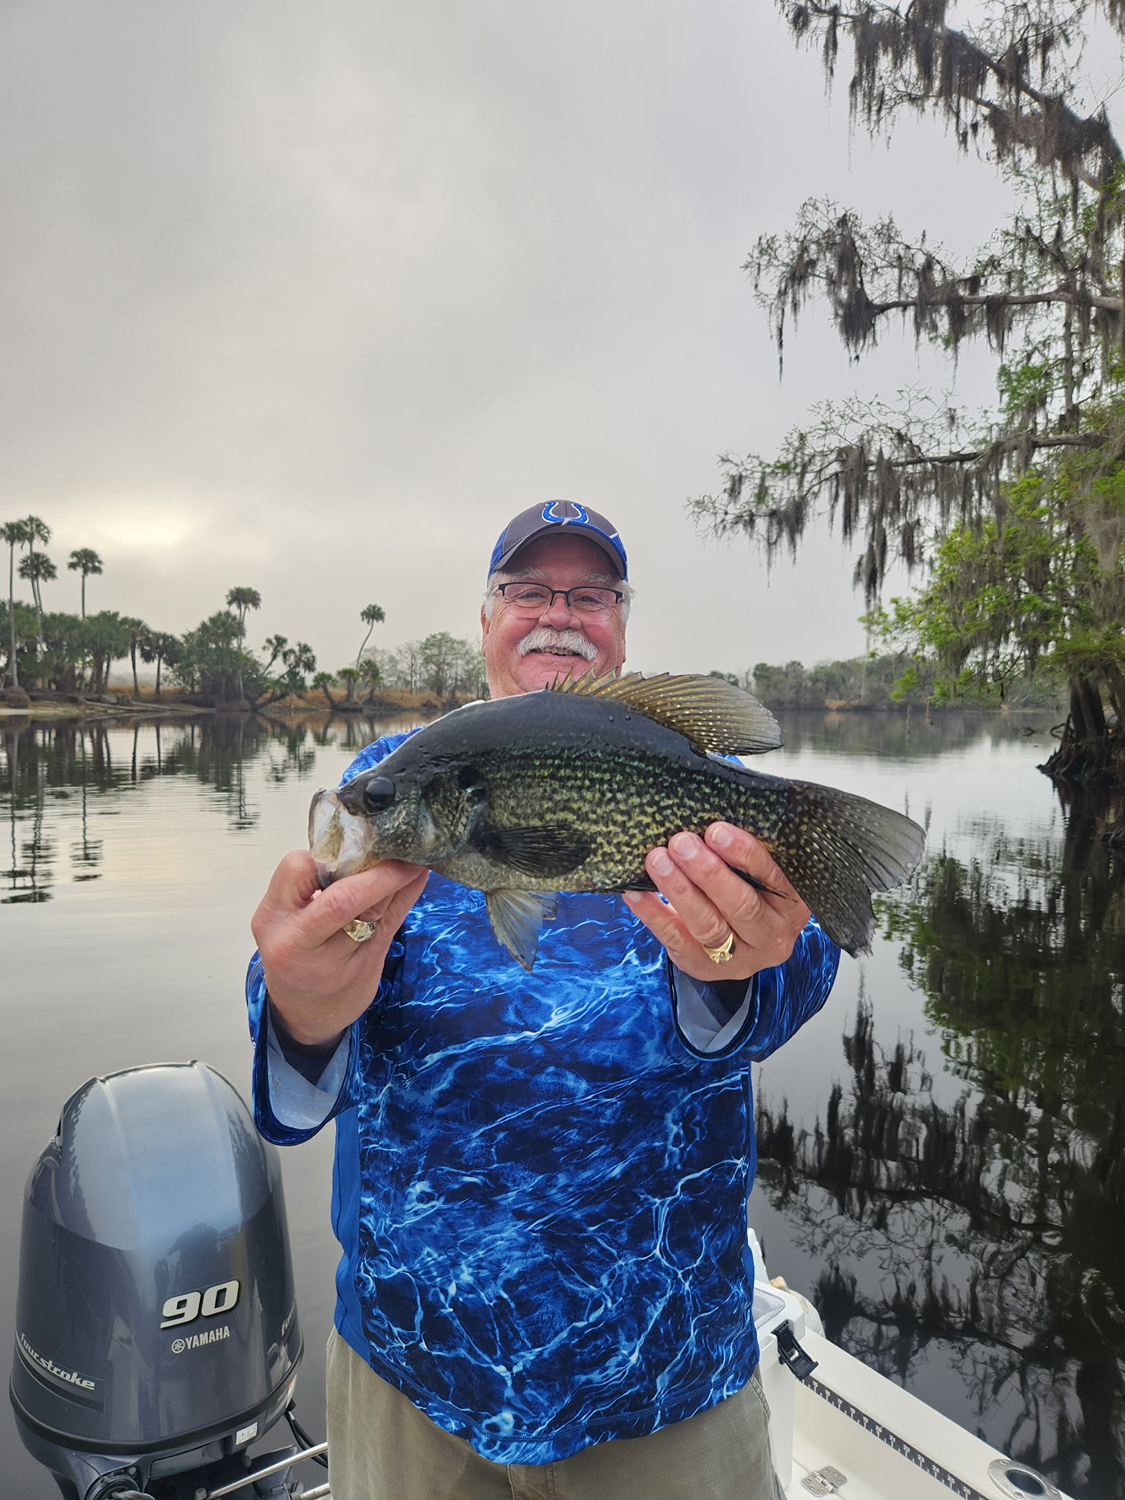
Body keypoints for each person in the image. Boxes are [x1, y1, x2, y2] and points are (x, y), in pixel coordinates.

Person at [248, 500, 840, 1500]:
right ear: (486, 619)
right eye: (529, 590)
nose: (559, 613)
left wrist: (739, 968)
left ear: (621, 624)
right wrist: (303, 1007)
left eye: (590, 594)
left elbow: (802, 972)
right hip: (416, 1361)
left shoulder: (710, 790)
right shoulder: (383, 787)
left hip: (659, 1368)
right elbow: (291, 1019)